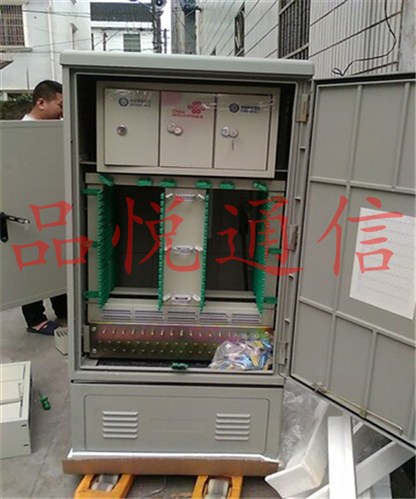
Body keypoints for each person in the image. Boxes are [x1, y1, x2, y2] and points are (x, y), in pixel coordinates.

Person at [21, 80, 67, 335]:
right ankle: (35, 319)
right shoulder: (19, 134)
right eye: (60, 105)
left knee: (56, 258)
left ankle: (62, 307)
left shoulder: (51, 131)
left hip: (51, 207)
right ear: (41, 102)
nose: (62, 112)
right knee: (32, 263)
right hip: (27, 210)